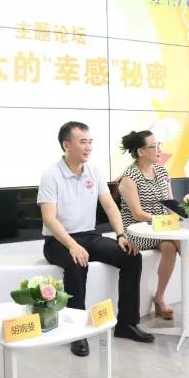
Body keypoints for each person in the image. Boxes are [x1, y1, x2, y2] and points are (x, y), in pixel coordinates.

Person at [38, 121, 154, 357]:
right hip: (58, 241)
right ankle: (76, 333)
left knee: (131, 256)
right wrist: (72, 245)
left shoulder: (94, 171)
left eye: (90, 142)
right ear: (66, 145)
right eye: (83, 142)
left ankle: (127, 324)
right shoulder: (51, 175)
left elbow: (110, 206)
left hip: (89, 235)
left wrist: (121, 235)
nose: (88, 147)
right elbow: (49, 218)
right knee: (76, 263)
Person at [117, 130, 189, 321]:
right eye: (154, 146)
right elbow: (137, 214)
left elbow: (170, 203)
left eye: (159, 145)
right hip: (138, 231)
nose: (159, 150)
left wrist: (180, 220)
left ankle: (160, 298)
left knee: (169, 246)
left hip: (162, 229)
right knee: (172, 238)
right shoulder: (129, 178)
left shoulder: (161, 171)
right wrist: (163, 222)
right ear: (141, 152)